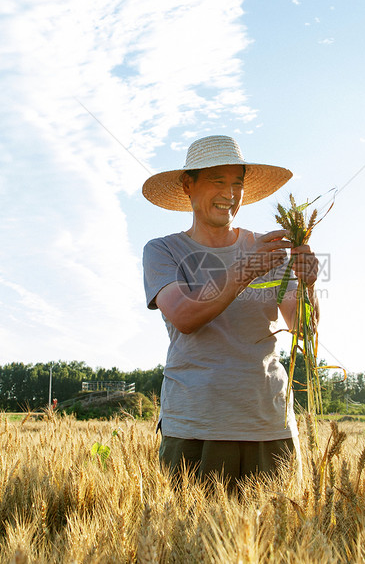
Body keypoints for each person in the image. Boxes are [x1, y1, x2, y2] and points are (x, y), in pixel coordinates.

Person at [141, 134, 318, 489]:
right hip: (195, 427)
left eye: (236, 184)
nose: (230, 194)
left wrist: (309, 285)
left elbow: (303, 329)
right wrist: (245, 270)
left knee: (275, 540)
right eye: (217, 181)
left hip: (269, 424)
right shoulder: (163, 251)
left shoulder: (267, 249)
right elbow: (185, 316)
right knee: (189, 541)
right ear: (188, 186)